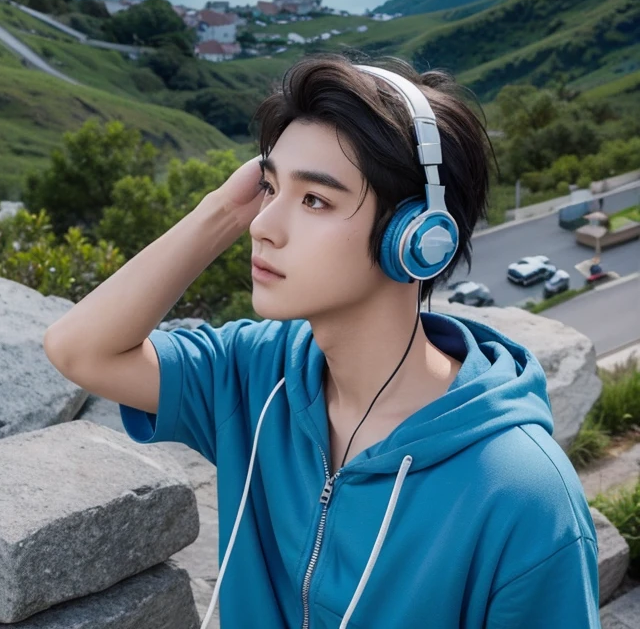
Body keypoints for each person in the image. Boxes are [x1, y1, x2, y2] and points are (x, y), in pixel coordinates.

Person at [43, 53, 601, 629]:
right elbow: (80, 349)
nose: (264, 225)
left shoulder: (523, 495)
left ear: (416, 238)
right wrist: (222, 211)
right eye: (269, 188)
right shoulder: (257, 374)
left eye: (315, 200)